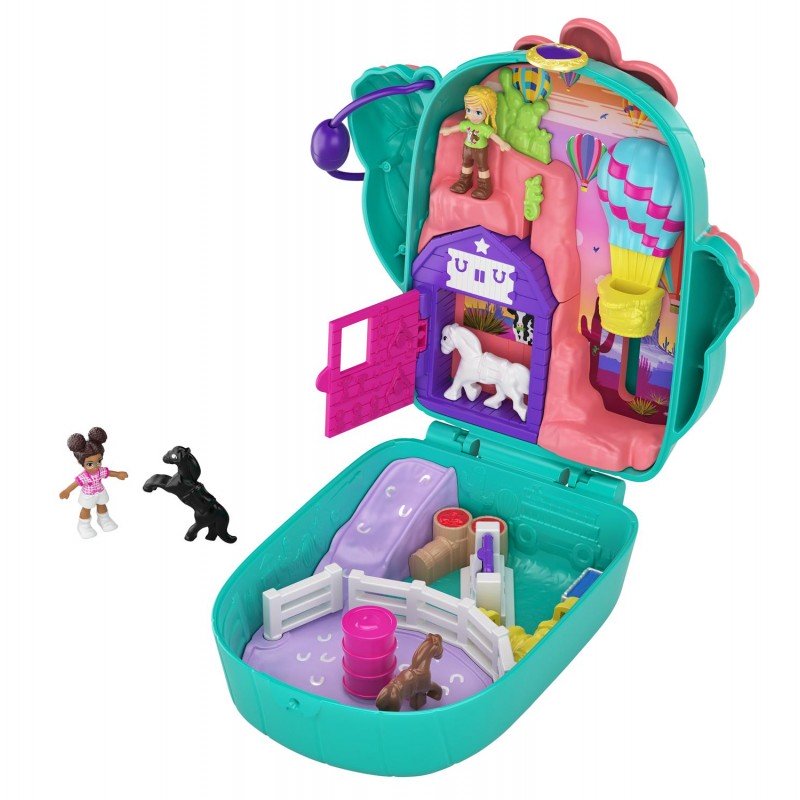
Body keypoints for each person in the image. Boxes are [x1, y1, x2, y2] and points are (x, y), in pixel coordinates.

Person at [440, 84, 511, 200]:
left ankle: (485, 187)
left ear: (488, 112)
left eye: (478, 112)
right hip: (467, 149)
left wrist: (502, 143)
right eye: (469, 110)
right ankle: (464, 182)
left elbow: (493, 136)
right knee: (466, 165)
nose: (472, 115)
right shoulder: (468, 124)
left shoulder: (484, 128)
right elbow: (458, 127)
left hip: (480, 151)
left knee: (482, 168)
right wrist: (448, 130)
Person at [59, 427, 128, 538]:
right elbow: (75, 484)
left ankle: (104, 520)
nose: (96, 466)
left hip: (100, 492)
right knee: (86, 509)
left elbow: (109, 472)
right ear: (82, 463)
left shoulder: (100, 471)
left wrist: (118, 474)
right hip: (88, 495)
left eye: (99, 461)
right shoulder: (84, 476)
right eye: (90, 464)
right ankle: (83, 525)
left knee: (102, 505)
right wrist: (67, 491)